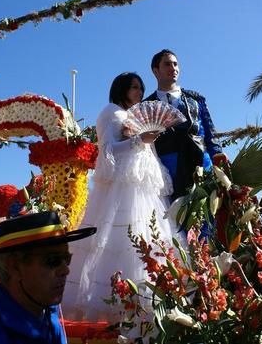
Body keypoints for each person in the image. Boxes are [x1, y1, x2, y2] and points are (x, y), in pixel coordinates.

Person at [63, 72, 177, 323]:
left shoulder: (130, 115)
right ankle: (115, 304)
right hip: (120, 191)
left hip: (141, 188)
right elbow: (107, 151)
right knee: (117, 242)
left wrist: (144, 141)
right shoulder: (110, 113)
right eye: (134, 87)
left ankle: (148, 305)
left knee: (147, 239)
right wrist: (138, 140)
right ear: (121, 89)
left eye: (140, 87)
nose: (138, 92)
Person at [0, 211, 96, 344]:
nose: (65, 270)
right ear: (15, 266)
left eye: (66, 259)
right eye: (53, 261)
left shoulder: (46, 313)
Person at [145, 49, 227, 199]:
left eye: (176, 64)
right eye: (167, 64)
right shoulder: (147, 105)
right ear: (156, 71)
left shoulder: (196, 99)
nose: (173, 68)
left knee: (202, 215)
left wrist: (218, 158)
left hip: (200, 163)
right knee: (170, 217)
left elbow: (210, 132)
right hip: (166, 168)